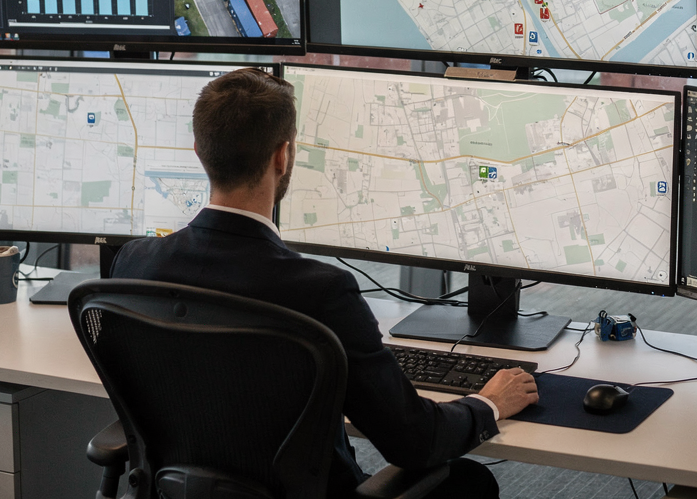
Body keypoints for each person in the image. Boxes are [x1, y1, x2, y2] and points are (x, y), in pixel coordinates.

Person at [111, 67, 538, 499]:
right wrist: (488, 403)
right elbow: (413, 441)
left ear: (200, 152)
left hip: (174, 491)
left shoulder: (135, 264)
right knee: (470, 481)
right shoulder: (319, 291)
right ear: (283, 156)